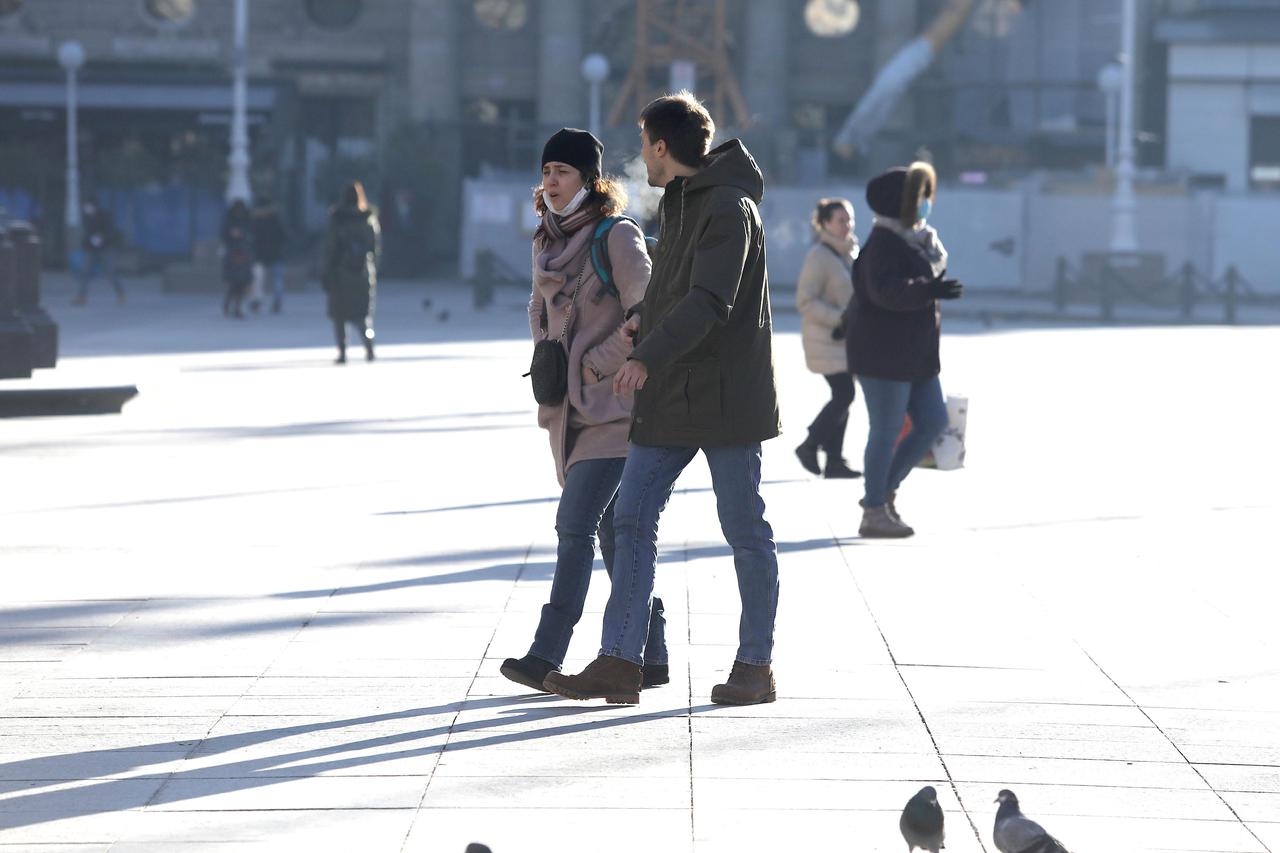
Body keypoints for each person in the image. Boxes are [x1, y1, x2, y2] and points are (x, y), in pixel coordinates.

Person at [544, 92, 780, 707]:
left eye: (643, 141)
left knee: (743, 528)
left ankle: (755, 665)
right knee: (629, 519)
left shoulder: (728, 208)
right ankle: (620, 662)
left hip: (725, 397)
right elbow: (674, 296)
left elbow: (709, 302)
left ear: (661, 145)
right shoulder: (679, 204)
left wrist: (646, 354)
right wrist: (641, 327)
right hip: (672, 391)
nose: (639, 155)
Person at [499, 128, 669, 694]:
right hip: (568, 411)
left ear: (590, 180)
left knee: (574, 527)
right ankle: (654, 648)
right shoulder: (545, 242)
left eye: (562, 172)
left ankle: (545, 652)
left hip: (617, 408)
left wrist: (596, 362)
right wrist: (549, 364)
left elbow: (647, 311)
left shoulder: (616, 236)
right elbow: (539, 311)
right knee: (615, 538)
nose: (550, 182)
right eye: (546, 171)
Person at [846, 161, 963, 538]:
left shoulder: (917, 240)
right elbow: (887, 293)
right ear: (901, 203)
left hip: (916, 356)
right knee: (886, 430)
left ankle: (882, 493)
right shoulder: (882, 244)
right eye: (919, 197)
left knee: (933, 422)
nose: (926, 204)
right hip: (884, 356)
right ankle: (874, 509)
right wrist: (928, 289)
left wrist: (930, 288)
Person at [795, 197, 861, 479]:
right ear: (824, 224)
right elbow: (805, 301)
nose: (846, 225)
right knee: (845, 393)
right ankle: (809, 444)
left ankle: (834, 461)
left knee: (843, 395)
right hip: (825, 339)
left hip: (845, 340)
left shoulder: (849, 253)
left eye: (849, 219)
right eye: (840, 220)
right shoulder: (819, 256)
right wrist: (839, 317)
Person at [321, 182, 380, 364]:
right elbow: (375, 249)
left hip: (341, 273)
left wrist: (326, 273)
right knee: (362, 317)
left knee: (340, 316)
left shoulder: (337, 220)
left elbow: (330, 248)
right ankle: (369, 346)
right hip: (362, 273)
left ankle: (342, 351)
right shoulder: (368, 219)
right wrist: (373, 270)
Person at [73, 200, 124, 306]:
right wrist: (89, 241)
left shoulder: (105, 215)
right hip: (90, 248)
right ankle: (82, 297)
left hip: (106, 247)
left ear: (94, 206)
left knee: (110, 272)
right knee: (84, 271)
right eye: (85, 206)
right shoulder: (86, 217)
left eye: (88, 206)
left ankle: (120, 294)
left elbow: (111, 231)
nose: (86, 209)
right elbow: (86, 232)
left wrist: (101, 238)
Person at [251, 196, 288, 314]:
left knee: (258, 279)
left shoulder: (255, 220)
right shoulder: (276, 219)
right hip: (275, 253)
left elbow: (252, 238)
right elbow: (284, 236)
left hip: (260, 254)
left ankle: (257, 300)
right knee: (277, 279)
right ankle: (277, 300)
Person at [220, 200, 254, 319]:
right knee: (234, 283)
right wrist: (231, 234)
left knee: (241, 283)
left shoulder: (246, 221)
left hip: (243, 253)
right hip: (234, 253)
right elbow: (223, 235)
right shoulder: (230, 221)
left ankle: (235, 307)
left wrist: (243, 235)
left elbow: (251, 234)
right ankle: (230, 306)